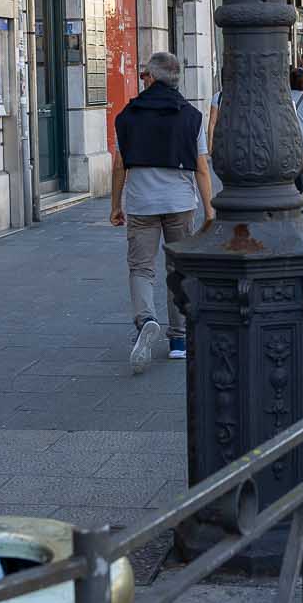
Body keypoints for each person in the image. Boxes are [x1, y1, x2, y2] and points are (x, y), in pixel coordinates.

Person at [110, 52, 212, 372]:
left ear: (151, 78)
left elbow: (119, 165)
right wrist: (209, 208)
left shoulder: (127, 115)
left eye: (144, 75)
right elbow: (201, 167)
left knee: (141, 267)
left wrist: (116, 205)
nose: (143, 79)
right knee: (177, 268)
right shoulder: (191, 116)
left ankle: (146, 321)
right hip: (181, 202)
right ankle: (179, 339)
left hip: (141, 203)